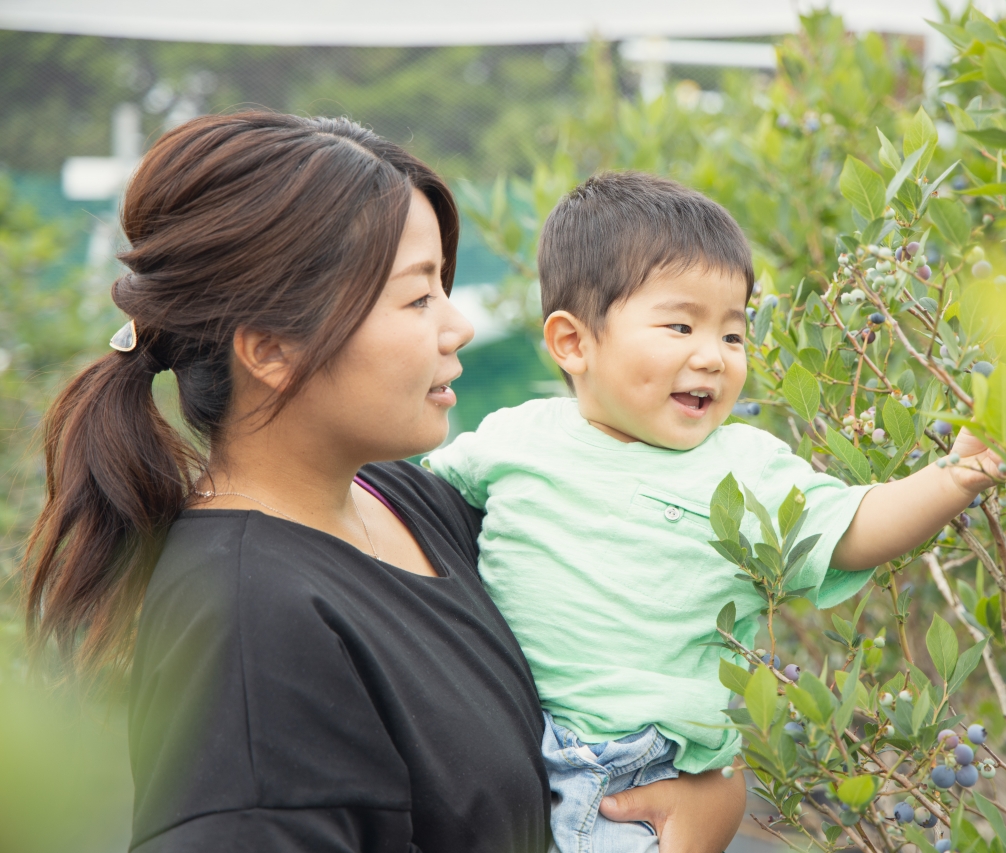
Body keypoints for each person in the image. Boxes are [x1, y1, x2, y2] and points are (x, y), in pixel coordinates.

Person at [23, 115, 745, 853]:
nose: (457, 325)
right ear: (271, 348)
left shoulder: (415, 504)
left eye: (444, 286)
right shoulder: (250, 622)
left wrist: (711, 785)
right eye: (417, 297)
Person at [428, 171, 1006, 853]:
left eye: (733, 335)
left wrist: (957, 475)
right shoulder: (513, 437)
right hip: (505, 743)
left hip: (632, 774)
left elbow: (854, 527)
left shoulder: (742, 468)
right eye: (680, 325)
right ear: (573, 343)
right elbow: (402, 511)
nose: (713, 357)